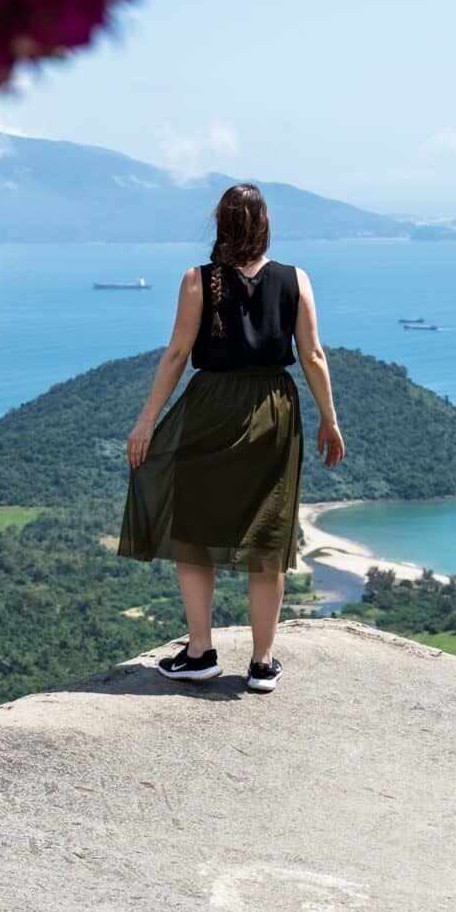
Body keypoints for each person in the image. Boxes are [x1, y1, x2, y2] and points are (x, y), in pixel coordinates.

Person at [115, 182, 344, 692]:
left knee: (194, 526)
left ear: (221, 226)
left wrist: (148, 419)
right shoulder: (296, 280)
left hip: (211, 408)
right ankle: (262, 664)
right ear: (264, 226)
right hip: (274, 411)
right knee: (269, 534)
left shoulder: (197, 280)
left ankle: (200, 652)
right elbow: (312, 356)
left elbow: (176, 354)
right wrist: (329, 418)